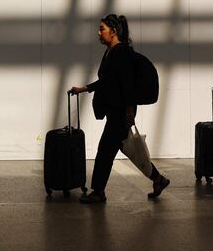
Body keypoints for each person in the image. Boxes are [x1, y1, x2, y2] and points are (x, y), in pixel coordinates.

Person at [70, 14, 170, 203]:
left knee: (105, 152)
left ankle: (98, 192)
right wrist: (85, 88)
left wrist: (129, 111)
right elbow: (108, 81)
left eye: (102, 29)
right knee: (131, 150)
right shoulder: (111, 52)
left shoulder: (121, 52)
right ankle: (159, 179)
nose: (98, 32)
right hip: (117, 110)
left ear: (113, 32)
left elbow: (127, 85)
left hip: (121, 111)